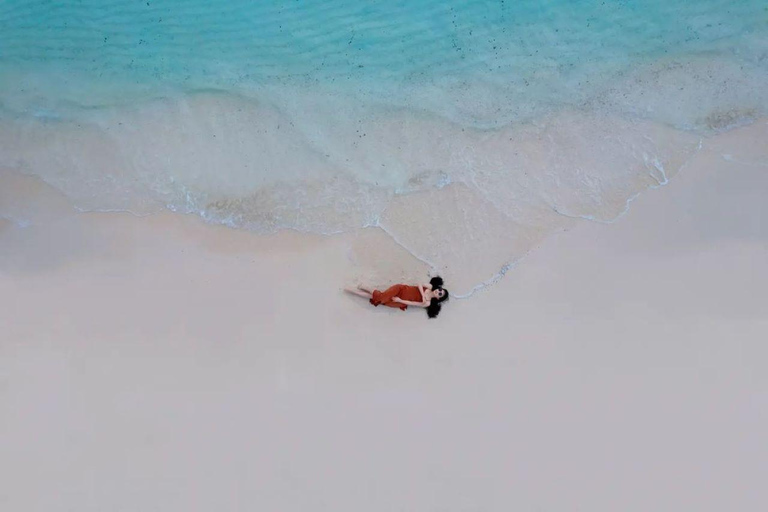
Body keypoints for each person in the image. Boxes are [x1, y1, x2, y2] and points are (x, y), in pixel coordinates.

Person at [345, 276, 449, 318]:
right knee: (380, 297)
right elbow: (419, 283)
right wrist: (422, 295)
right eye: (440, 290)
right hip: (401, 289)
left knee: (380, 300)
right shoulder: (430, 287)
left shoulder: (428, 303)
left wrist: (400, 300)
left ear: (438, 298)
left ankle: (355, 290)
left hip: (401, 301)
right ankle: (364, 287)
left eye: (440, 294)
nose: (438, 291)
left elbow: (412, 303)